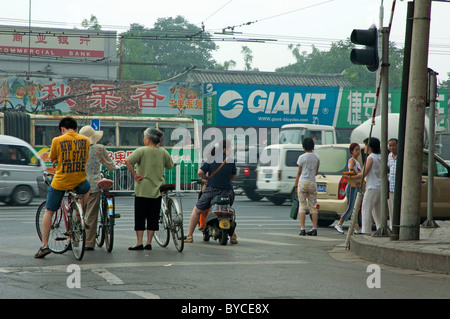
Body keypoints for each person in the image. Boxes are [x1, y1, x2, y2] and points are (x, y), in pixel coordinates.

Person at [35, 117, 91, 258]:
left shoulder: (57, 140)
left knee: (49, 211)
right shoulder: (85, 140)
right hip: (79, 180)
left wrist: (57, 160)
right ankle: (79, 216)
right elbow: (84, 157)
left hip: (61, 181)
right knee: (87, 189)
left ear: (62, 129)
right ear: (76, 129)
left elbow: (52, 157)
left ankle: (44, 246)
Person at [125, 128, 176, 251]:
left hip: (142, 189)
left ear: (148, 139)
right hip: (157, 190)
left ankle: (139, 242)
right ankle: (148, 242)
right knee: (153, 217)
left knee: (140, 216)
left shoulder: (141, 150)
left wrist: (135, 174)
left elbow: (128, 161)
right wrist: (173, 163)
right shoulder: (163, 152)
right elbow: (170, 165)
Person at [185, 139, 237, 244]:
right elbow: (233, 176)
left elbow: (200, 172)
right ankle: (233, 237)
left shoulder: (210, 159)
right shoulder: (230, 160)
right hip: (228, 192)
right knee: (227, 211)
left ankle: (189, 235)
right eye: (230, 148)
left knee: (197, 211)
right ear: (224, 149)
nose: (231, 150)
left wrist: (207, 179)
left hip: (211, 191)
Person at [79, 125, 117, 251]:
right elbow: (109, 164)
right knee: (91, 214)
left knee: (77, 211)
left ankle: (71, 238)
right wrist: (114, 168)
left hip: (77, 182)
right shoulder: (99, 148)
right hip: (93, 185)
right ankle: (89, 243)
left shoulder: (76, 148)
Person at [352, 137, 382, 236]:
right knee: (376, 211)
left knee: (366, 209)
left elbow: (363, 173)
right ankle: (380, 229)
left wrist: (351, 177)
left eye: (365, 145)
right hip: (379, 187)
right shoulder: (380, 157)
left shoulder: (371, 157)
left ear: (370, 146)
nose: (364, 147)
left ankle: (366, 231)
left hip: (372, 187)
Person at [294, 137, 320, 236]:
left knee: (302, 206)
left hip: (303, 183)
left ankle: (302, 229)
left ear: (304, 146)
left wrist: (296, 184)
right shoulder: (317, 157)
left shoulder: (301, 157)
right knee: (313, 207)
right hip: (312, 183)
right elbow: (316, 172)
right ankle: (314, 228)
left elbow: (299, 172)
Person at [335, 143, 362, 234]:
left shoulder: (357, 161)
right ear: (351, 151)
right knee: (350, 207)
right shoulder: (352, 160)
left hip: (356, 186)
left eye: (359, 150)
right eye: (356, 150)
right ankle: (339, 223)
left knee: (355, 207)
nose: (358, 152)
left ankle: (356, 228)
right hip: (351, 186)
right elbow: (350, 168)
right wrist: (356, 175)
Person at [387, 138, 398, 230]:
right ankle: (391, 226)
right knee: (391, 208)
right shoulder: (389, 156)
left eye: (393, 145)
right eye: (390, 145)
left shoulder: (402, 155)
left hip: (399, 187)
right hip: (391, 186)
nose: (391, 147)